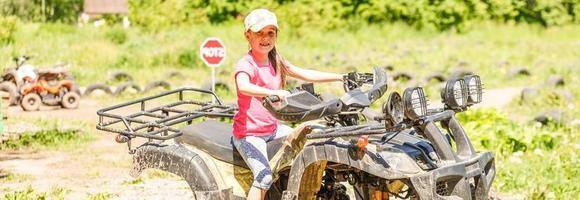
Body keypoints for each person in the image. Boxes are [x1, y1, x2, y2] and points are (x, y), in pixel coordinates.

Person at [232, 8, 344, 200]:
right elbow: (243, 86)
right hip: (249, 135)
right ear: (247, 35)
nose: (265, 38)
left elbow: (306, 74)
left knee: (314, 135)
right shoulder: (247, 64)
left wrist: (340, 77)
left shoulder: (276, 60)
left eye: (270, 33)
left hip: (273, 129)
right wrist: (272, 92)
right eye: (259, 33)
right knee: (264, 177)